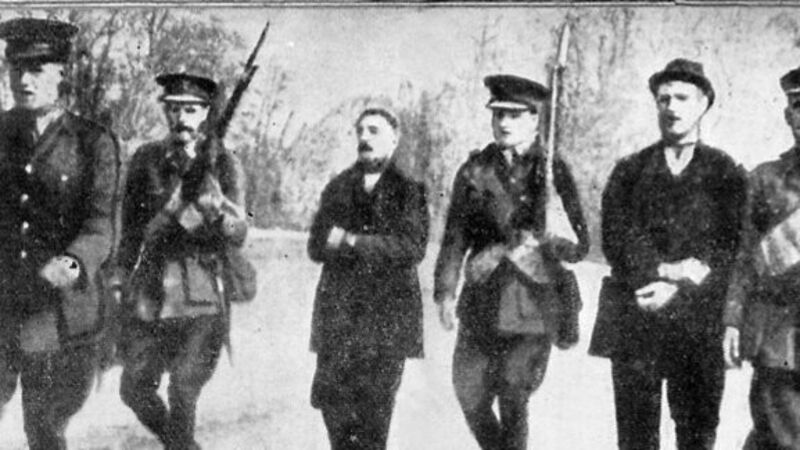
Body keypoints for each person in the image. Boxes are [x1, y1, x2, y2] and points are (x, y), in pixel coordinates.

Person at [589, 58, 746, 449]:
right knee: (635, 438)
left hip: (697, 323)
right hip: (637, 314)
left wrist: (679, 290)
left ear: (703, 104)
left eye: (682, 98)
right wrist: (666, 272)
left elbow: (730, 249)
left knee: (696, 435)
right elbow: (616, 239)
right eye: (664, 99)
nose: (672, 107)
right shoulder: (630, 171)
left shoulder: (726, 173)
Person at [433, 74, 589, 450]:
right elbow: (455, 237)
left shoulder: (552, 169)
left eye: (515, 115)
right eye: (499, 114)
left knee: (513, 393)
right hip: (482, 297)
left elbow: (580, 243)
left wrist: (553, 233)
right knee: (468, 391)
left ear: (535, 120)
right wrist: (446, 291)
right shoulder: (475, 171)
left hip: (532, 303)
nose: (504, 123)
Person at [0, 17, 120, 450]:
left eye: (36, 69)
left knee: (43, 428)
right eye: (15, 68)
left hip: (58, 311)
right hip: (4, 300)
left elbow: (101, 226)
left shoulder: (93, 142)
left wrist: (72, 262)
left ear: (62, 74)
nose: (23, 80)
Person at [116, 72, 247, 450]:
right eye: (173, 109)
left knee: (183, 390)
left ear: (205, 113)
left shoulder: (224, 163)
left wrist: (217, 211)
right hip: (152, 291)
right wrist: (118, 277)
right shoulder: (146, 159)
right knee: (134, 388)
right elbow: (131, 229)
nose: (181, 118)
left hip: (201, 291)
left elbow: (239, 232)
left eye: (190, 110)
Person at [307, 107, 429, 450]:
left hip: (386, 322)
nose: (364, 137)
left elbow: (411, 247)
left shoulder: (409, 191)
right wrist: (369, 244)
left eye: (374, 131)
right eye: (360, 130)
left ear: (394, 139)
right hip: (339, 319)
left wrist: (351, 241)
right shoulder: (338, 187)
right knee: (332, 407)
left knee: (373, 419)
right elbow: (316, 245)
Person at [723, 65, 800, 450]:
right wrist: (732, 320)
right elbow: (743, 258)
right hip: (781, 337)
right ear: (788, 115)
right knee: (785, 436)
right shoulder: (765, 180)